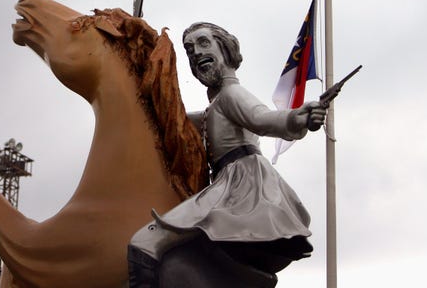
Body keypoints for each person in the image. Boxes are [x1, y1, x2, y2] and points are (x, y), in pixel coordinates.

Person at [128, 22, 327, 288]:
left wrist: (296, 118)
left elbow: (262, 118)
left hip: (240, 190)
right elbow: (177, 123)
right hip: (227, 188)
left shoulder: (232, 95)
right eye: (189, 50)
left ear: (225, 49)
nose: (196, 53)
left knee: (145, 241)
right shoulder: (215, 107)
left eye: (204, 43)